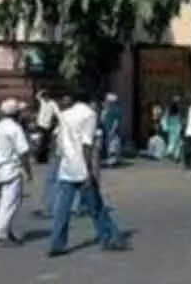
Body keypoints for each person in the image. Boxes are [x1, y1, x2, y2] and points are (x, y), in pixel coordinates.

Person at [48, 91, 130, 257]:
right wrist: (89, 170)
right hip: (81, 167)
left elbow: (57, 140)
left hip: (66, 166)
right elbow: (87, 145)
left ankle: (57, 243)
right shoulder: (89, 115)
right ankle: (108, 237)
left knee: (62, 208)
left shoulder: (65, 114)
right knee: (96, 206)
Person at [0, 98, 33, 247]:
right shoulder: (15, 128)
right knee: (10, 203)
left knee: (8, 201)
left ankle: (7, 230)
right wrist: (28, 171)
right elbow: (23, 152)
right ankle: (1, 233)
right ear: (16, 114)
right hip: (12, 168)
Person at [34, 90, 63, 218]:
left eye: (45, 96)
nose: (44, 98)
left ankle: (42, 156)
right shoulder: (42, 101)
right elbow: (38, 96)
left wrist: (61, 120)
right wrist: (41, 92)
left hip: (47, 126)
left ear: (48, 96)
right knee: (41, 143)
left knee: (44, 144)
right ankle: (40, 157)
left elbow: (58, 113)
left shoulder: (52, 103)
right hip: (40, 124)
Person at [100, 93, 122, 167]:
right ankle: (110, 160)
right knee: (108, 145)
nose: (106, 101)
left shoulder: (115, 109)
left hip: (112, 131)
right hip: (106, 130)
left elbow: (116, 121)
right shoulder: (106, 109)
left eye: (107, 100)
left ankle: (112, 161)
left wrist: (113, 130)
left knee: (113, 145)